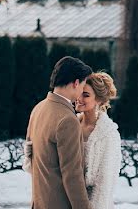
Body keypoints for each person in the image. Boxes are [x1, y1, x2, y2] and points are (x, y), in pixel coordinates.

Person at [25, 56, 93, 209]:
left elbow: (31, 159)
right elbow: (72, 175)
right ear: (76, 83)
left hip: (39, 202)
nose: (82, 90)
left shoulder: (38, 108)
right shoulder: (67, 120)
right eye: (83, 85)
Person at [75, 72, 121, 209]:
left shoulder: (108, 134)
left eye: (86, 95)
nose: (79, 98)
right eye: (79, 92)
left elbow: (104, 184)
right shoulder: (71, 125)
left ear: (99, 100)